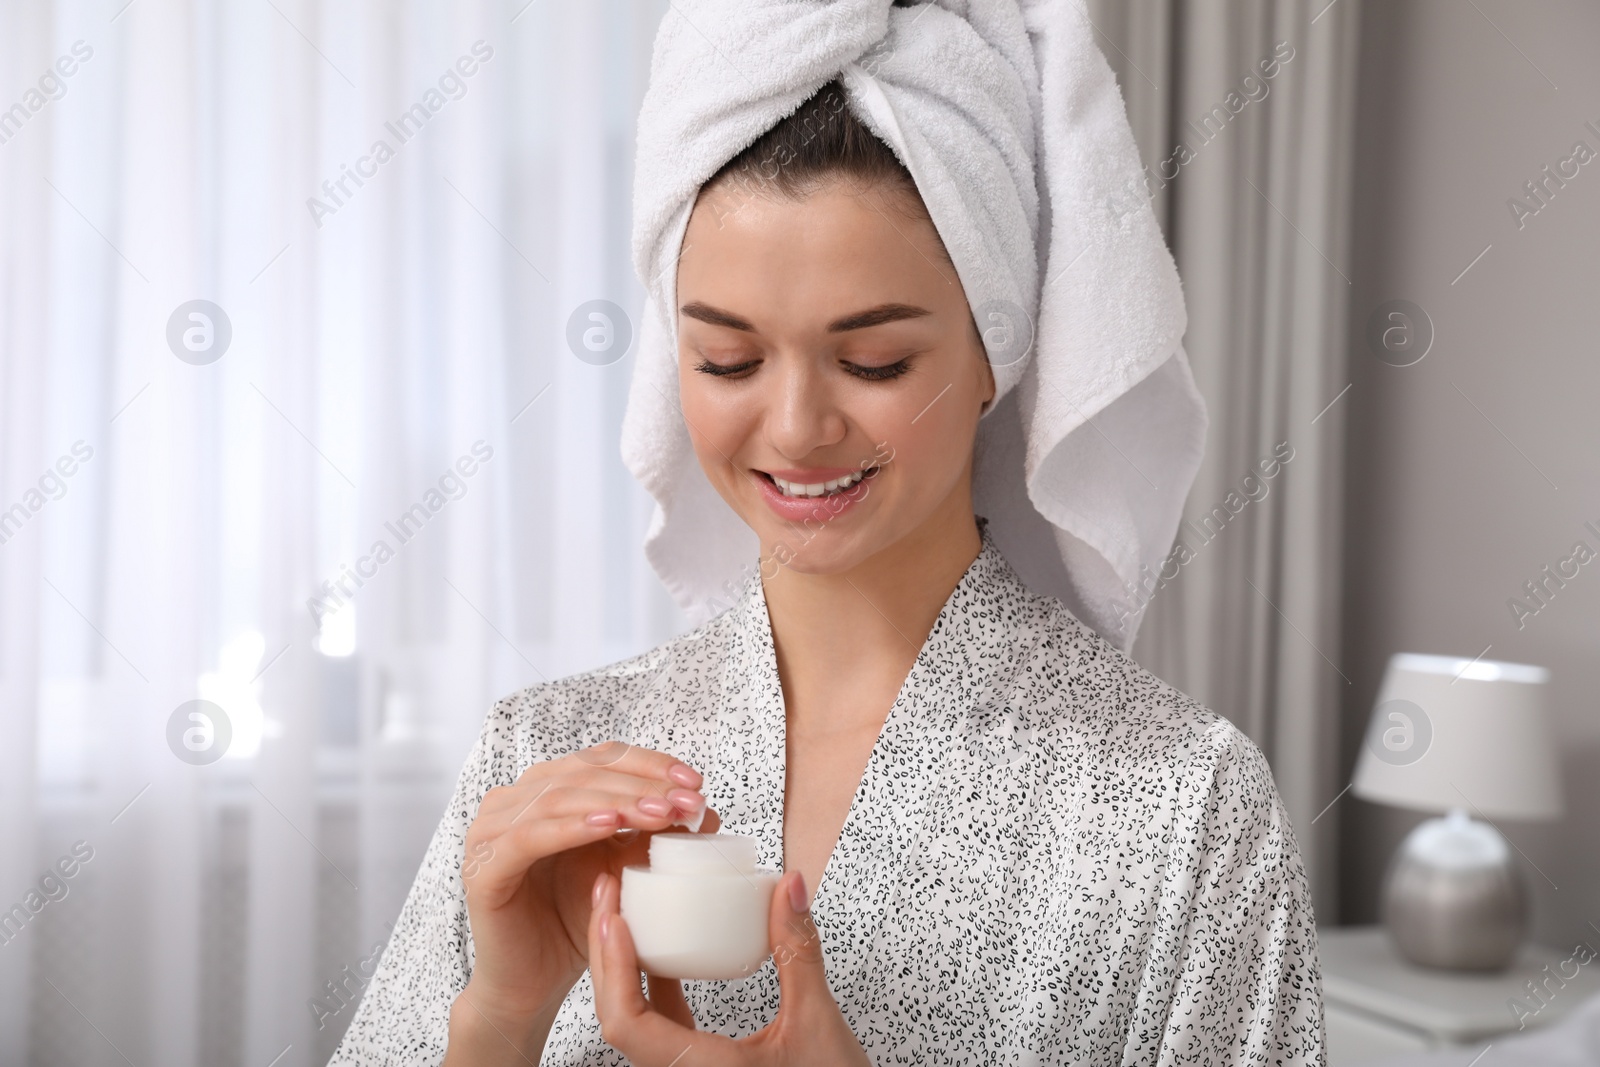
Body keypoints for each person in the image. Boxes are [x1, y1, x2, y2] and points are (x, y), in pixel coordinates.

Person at [330, 7, 1323, 1066]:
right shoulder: (541, 760)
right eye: (727, 361)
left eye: (876, 362)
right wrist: (497, 1022)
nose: (797, 429)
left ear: (996, 351)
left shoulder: (1178, 808)